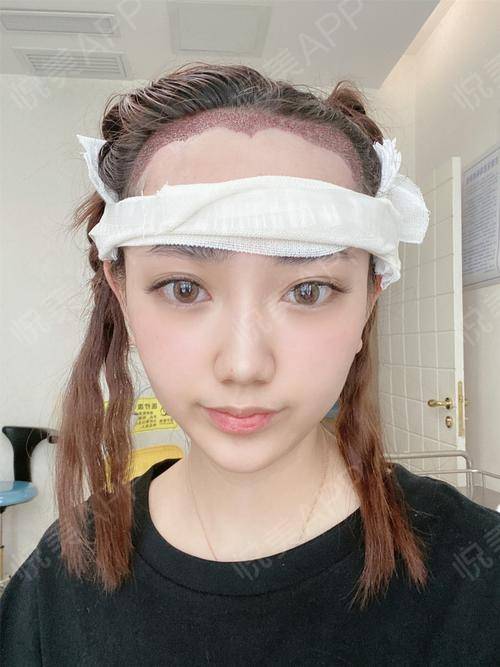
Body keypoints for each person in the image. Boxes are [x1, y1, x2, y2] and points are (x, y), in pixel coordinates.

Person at [1, 62, 499, 666]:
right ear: (122, 293)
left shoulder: (478, 579)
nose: (243, 365)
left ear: (369, 300)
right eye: (184, 288)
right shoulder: (59, 580)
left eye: (308, 291)